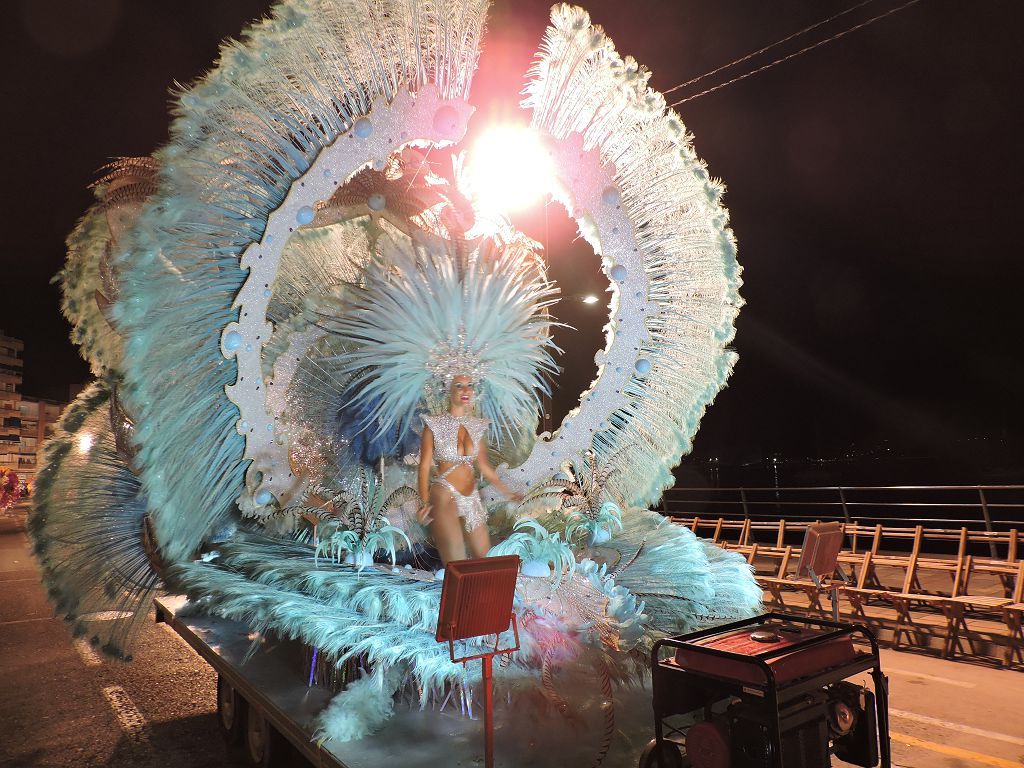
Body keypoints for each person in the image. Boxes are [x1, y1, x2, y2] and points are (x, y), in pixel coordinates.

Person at [416, 374, 522, 564]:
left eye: (469, 385)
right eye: (459, 385)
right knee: (456, 563)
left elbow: (484, 467)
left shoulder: (477, 426)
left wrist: (508, 492)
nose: (466, 390)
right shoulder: (434, 425)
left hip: (471, 498)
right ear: (449, 390)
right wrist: (424, 503)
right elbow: (423, 467)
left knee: (485, 561)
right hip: (444, 494)